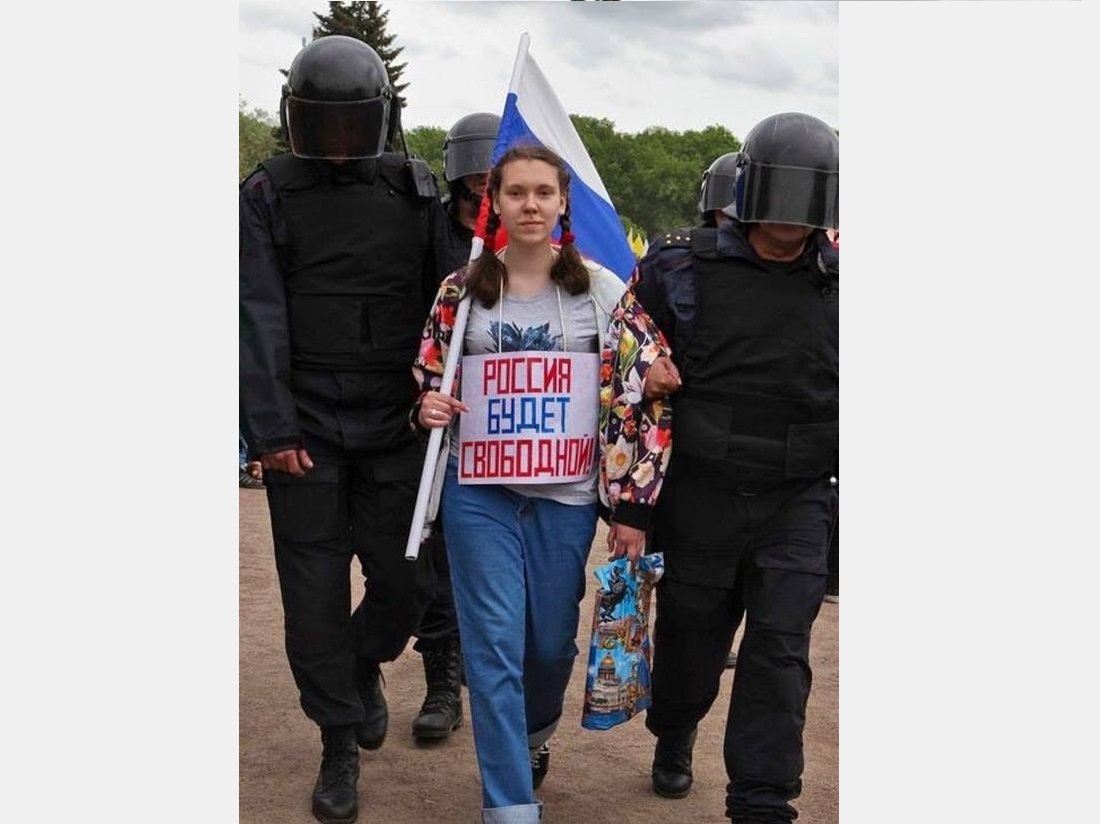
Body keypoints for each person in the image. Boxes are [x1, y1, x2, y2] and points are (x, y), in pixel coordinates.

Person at [413, 144, 668, 824]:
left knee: (550, 643)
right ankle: (510, 806)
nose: (530, 205)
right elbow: (429, 380)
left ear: (562, 204)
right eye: (516, 192)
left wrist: (657, 376)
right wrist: (426, 407)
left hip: (566, 497)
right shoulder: (461, 289)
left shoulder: (602, 289)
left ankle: (532, 737)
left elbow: (649, 367)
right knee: (493, 644)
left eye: (543, 194)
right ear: (494, 201)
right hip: (480, 491)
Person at [608, 112, 839, 822]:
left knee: (778, 650)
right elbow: (621, 356)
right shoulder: (681, 267)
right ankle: (674, 728)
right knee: (692, 653)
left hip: (797, 498)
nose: (791, 222)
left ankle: (762, 802)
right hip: (701, 496)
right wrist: (641, 371)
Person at [239, 35, 446, 824]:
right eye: (318, 126)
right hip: (305, 430)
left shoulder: (415, 191)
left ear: (378, 120)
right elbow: (254, 316)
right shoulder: (263, 194)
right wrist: (271, 428)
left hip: (397, 421)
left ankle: (365, 663)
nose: (333, 144)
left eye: (346, 126)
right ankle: (336, 740)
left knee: (406, 581)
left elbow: (446, 302)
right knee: (313, 597)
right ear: (296, 119)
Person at [401, 111, 506, 744]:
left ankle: (470, 661)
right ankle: (442, 672)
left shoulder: (526, 239)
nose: (482, 185)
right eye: (475, 176)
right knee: (424, 551)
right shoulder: (425, 229)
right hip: (430, 412)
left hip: (501, 427)